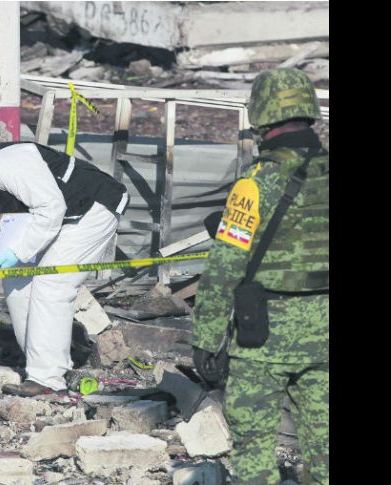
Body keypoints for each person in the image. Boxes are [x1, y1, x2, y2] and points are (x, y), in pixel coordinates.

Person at [191, 68, 328, 484]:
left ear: (262, 118)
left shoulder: (255, 183)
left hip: (262, 340)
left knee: (254, 448)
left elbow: (223, 270)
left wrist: (206, 338)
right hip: (325, 337)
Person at [0, 129, 129, 396]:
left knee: (52, 283)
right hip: (55, 215)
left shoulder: (4, 165)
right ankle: (41, 362)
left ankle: (48, 379)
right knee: (16, 280)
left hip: (92, 206)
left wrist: (20, 251)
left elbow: (51, 208)